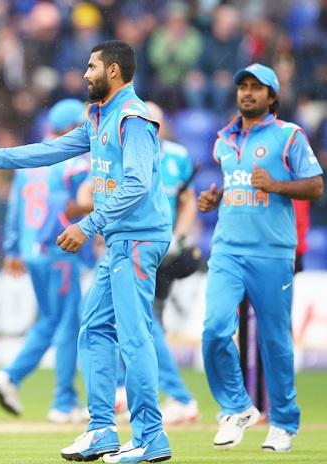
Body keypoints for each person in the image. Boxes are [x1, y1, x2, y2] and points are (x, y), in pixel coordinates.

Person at [0, 40, 173, 464]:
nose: (84, 73)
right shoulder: (99, 118)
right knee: (92, 330)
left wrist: (87, 224)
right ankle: (100, 431)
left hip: (138, 238)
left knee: (132, 338)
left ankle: (150, 436)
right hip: (119, 240)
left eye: (91, 66)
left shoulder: (133, 119)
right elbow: (47, 151)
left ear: (113, 71)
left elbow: (138, 184)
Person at [198, 63, 323, 453]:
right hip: (228, 250)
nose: (247, 93)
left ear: (272, 96)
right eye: (243, 87)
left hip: (272, 253)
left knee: (274, 341)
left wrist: (277, 185)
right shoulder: (223, 140)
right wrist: (215, 199)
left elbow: (316, 186)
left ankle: (283, 423)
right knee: (215, 328)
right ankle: (236, 407)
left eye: (257, 88)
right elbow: (237, 187)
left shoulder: (289, 136)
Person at [0, 99, 91, 424]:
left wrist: (13, 250)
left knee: (49, 320)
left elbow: (16, 211)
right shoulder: (73, 164)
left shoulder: (30, 166)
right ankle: (63, 400)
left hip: (33, 252)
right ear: (70, 128)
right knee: (68, 324)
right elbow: (80, 204)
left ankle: (11, 377)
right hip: (59, 251)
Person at [113, 101, 201, 426]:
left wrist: (178, 237)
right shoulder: (126, 151)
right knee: (136, 321)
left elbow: (188, 200)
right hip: (134, 246)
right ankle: (130, 391)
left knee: (142, 322)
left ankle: (179, 396)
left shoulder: (177, 155)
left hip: (160, 250)